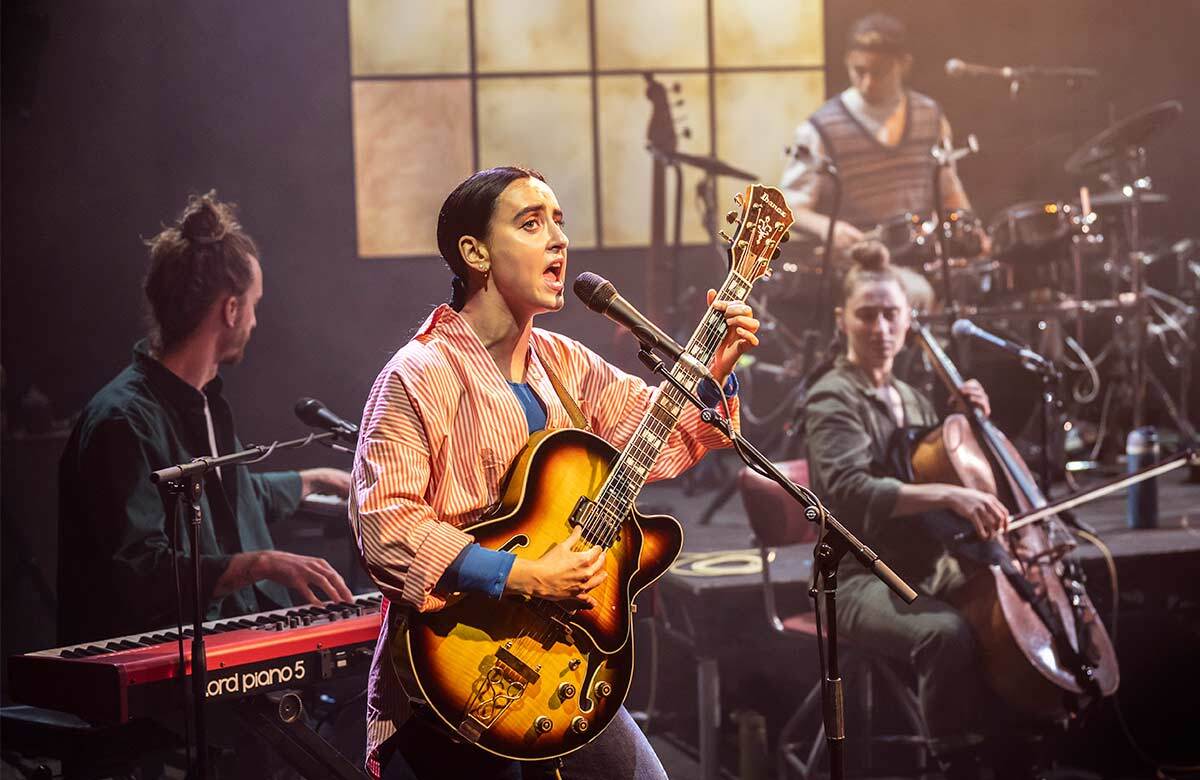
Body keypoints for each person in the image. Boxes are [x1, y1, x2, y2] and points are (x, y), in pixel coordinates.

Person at [350, 166, 760, 779]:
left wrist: (717, 373)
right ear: (475, 252)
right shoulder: (418, 373)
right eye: (531, 223)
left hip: (564, 665)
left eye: (559, 224)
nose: (559, 241)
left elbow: (666, 429)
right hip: (458, 667)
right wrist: (524, 575)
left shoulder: (563, 362)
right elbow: (386, 526)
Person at [57, 191, 354, 647]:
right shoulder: (123, 421)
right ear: (231, 310)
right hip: (157, 680)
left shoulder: (203, 402)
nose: (255, 321)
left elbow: (231, 496)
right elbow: (140, 570)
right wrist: (261, 564)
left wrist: (314, 479)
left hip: (215, 659)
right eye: (253, 304)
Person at [803, 242, 1024, 779]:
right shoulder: (832, 398)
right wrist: (951, 496)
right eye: (867, 315)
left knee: (1006, 610)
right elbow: (851, 489)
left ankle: (1016, 746)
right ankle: (954, 761)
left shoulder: (915, 396)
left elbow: (940, 470)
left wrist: (968, 425)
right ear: (842, 320)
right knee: (944, 634)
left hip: (923, 565)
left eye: (891, 315)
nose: (880, 328)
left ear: (908, 321)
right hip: (856, 578)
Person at [780, 12, 981, 312]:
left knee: (983, 285)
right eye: (858, 70)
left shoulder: (930, 116)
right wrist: (828, 229)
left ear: (904, 64)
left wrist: (972, 229)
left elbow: (949, 190)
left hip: (922, 255)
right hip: (862, 264)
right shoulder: (820, 129)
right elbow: (788, 207)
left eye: (879, 72)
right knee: (915, 294)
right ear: (848, 61)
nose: (867, 82)